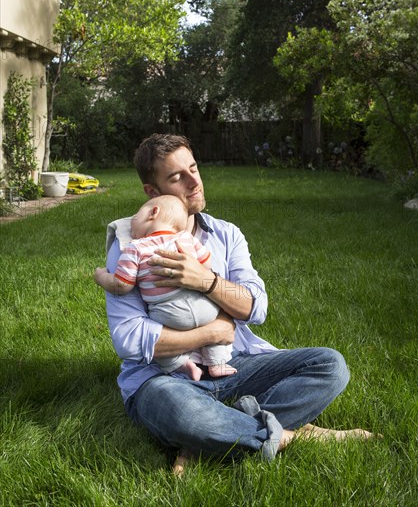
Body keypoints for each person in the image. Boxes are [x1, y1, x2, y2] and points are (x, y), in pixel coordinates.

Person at [102, 133, 373, 475]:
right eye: (176, 177)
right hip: (166, 376)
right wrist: (212, 331)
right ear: (153, 194)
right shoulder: (129, 245)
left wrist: (206, 281)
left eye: (194, 168)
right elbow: (128, 339)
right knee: (178, 410)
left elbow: (256, 307)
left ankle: (207, 439)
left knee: (330, 365)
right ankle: (290, 434)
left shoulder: (225, 234)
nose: (193, 182)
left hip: (234, 364)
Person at [94, 195, 237, 380]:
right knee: (214, 317)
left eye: (135, 217)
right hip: (204, 308)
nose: (131, 225)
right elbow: (207, 264)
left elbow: (122, 285)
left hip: (168, 314)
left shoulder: (135, 247)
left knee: (156, 335)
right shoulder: (186, 238)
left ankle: (182, 365)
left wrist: (101, 277)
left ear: (153, 213)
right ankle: (217, 363)